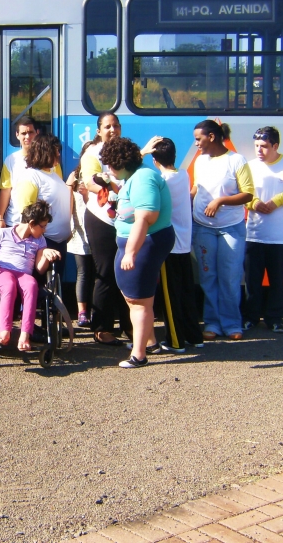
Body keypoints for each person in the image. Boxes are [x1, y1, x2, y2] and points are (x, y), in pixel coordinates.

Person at [99, 137, 175, 368]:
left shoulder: (143, 178)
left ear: (123, 164)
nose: (110, 170)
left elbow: (146, 217)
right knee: (137, 299)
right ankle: (149, 342)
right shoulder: (135, 174)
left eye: (112, 166)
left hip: (144, 243)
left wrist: (131, 252)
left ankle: (139, 355)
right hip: (137, 242)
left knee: (138, 301)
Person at [191, 120, 254, 341]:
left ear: (212, 137)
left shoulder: (236, 160)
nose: (196, 143)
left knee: (230, 278)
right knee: (208, 277)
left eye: (199, 139)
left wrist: (220, 201)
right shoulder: (200, 161)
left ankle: (232, 323)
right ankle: (212, 323)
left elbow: (248, 194)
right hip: (203, 227)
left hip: (231, 228)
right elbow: (196, 188)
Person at [140, 135, 204, 350]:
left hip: (169, 245)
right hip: (184, 244)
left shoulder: (161, 181)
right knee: (186, 292)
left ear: (154, 160)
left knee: (170, 296)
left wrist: (143, 151)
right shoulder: (184, 175)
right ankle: (195, 337)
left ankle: (176, 341)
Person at [0, 200, 61, 351]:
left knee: (32, 285)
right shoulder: (3, 233)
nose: (44, 230)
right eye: (43, 226)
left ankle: (25, 335)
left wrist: (45, 253)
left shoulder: (40, 240)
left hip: (23, 274)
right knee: (9, 285)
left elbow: (40, 269)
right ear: (32, 223)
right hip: (3, 271)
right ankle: (5, 332)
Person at [243, 127, 283, 334]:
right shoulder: (249, 166)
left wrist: (277, 201)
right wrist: (255, 204)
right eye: (256, 146)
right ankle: (251, 317)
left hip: (280, 235)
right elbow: (243, 192)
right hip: (254, 233)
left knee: (278, 280)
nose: (259, 151)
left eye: (264, 147)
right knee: (252, 280)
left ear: (275, 146)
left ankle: (275, 318)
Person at [80, 111, 130, 345]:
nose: (113, 130)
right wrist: (109, 189)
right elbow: (90, 182)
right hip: (101, 219)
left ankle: (130, 326)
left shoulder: (127, 150)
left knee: (127, 272)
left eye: (116, 126)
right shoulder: (92, 153)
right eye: (107, 127)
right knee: (106, 273)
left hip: (125, 218)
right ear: (99, 130)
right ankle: (101, 328)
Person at [12, 133, 72, 276]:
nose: (58, 154)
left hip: (59, 243)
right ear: (44, 151)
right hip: (43, 244)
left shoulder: (53, 175)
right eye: (55, 150)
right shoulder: (31, 177)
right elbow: (26, 212)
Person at [0, 116, 62, 229]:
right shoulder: (11, 160)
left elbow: (58, 189)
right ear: (17, 135)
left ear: (37, 133)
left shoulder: (50, 159)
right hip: (14, 221)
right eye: (23, 133)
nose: (27, 136)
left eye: (30, 132)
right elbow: (6, 190)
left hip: (40, 223)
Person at [66, 140, 95, 327]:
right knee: (83, 272)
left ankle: (96, 309)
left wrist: (87, 195)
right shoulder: (74, 177)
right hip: (80, 232)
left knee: (99, 273)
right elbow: (67, 205)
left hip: (99, 231)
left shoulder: (102, 176)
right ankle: (82, 311)